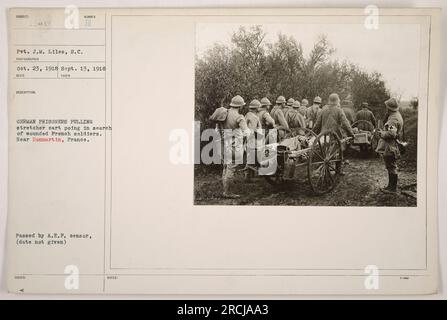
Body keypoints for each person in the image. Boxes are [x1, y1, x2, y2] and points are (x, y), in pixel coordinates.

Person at [313, 93, 355, 175]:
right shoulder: (339, 110)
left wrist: (313, 134)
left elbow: (317, 124)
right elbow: (345, 123)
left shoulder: (323, 109)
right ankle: (338, 170)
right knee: (339, 150)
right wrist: (351, 134)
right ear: (337, 100)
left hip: (324, 135)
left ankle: (326, 167)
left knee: (325, 151)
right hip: (334, 136)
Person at [221, 95, 250, 198]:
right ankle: (227, 192)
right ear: (240, 106)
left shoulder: (224, 114)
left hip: (226, 143)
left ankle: (225, 190)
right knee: (231, 168)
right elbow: (246, 132)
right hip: (235, 145)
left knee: (226, 166)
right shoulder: (239, 117)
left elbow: (218, 129)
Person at [375, 98, 404, 193]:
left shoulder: (393, 119)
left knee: (391, 166)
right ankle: (390, 187)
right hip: (392, 145)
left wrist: (381, 133)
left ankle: (392, 189)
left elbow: (392, 134)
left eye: (386, 107)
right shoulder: (396, 115)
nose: (386, 109)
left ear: (389, 108)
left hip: (390, 146)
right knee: (391, 166)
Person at [244, 99, 262, 182]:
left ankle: (249, 176)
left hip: (248, 138)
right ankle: (248, 176)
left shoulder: (247, 114)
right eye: (259, 107)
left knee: (249, 157)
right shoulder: (254, 117)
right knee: (253, 157)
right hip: (253, 139)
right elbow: (253, 129)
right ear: (256, 108)